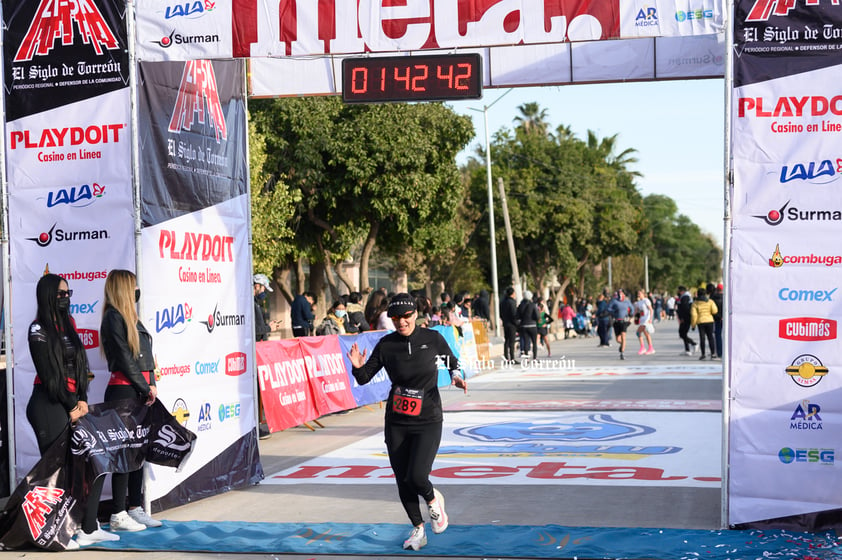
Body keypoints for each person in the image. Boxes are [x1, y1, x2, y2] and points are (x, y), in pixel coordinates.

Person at [346, 293, 467, 551]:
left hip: (428, 418)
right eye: (396, 318)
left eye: (406, 316)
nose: (402, 322)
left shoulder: (432, 338)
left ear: (415, 315)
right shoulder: (387, 344)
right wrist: (357, 367)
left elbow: (452, 363)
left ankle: (434, 501)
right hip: (397, 421)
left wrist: (456, 377)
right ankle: (418, 529)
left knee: (417, 475)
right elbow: (365, 377)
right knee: (402, 478)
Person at [27, 274, 115, 547]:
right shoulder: (37, 329)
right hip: (48, 404)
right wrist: (70, 407)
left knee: (94, 460)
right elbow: (50, 374)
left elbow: (78, 369)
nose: (66, 298)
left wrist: (82, 401)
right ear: (48, 296)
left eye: (69, 293)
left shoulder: (70, 324)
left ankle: (88, 527)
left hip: (72, 403)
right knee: (57, 471)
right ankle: (54, 533)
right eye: (61, 294)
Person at [100, 269, 162, 532]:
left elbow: (146, 357)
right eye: (134, 286)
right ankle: (118, 513)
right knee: (124, 453)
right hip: (124, 393)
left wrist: (152, 384)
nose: (138, 290)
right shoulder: (113, 318)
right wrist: (145, 386)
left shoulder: (132, 319)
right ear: (125, 288)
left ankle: (135, 508)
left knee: (138, 451)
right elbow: (125, 360)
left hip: (139, 392)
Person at [691, 287, 718, 360]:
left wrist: (693, 325)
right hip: (709, 321)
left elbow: (694, 315)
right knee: (710, 337)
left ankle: (703, 354)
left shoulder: (695, 303)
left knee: (702, 338)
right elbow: (714, 311)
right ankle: (713, 354)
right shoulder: (710, 301)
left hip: (701, 322)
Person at [253, 273, 280, 342]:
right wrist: (269, 328)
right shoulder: (250, 304)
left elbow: (257, 325)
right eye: (264, 288)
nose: (264, 291)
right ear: (257, 286)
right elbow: (253, 330)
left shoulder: (255, 302)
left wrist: (267, 325)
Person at [607, 290, 633, 360]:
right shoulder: (614, 301)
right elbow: (608, 308)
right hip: (616, 321)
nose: (621, 295)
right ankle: (622, 344)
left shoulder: (627, 301)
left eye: (622, 294)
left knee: (623, 336)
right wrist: (613, 312)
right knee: (618, 339)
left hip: (624, 321)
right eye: (619, 294)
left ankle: (622, 353)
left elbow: (632, 309)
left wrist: (631, 315)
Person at [516, 290, 538, 359]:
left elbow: (517, 316)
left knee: (526, 341)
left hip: (524, 325)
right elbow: (537, 316)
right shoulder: (533, 305)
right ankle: (534, 358)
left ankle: (527, 358)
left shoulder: (520, 305)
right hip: (532, 325)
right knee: (534, 342)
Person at [676, 286, 698, 356]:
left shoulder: (685, 297)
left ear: (681, 291)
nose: (678, 292)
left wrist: (682, 318)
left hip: (686, 318)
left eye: (678, 290)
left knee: (682, 333)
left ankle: (694, 344)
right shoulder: (684, 296)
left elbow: (685, 309)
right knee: (683, 333)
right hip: (685, 318)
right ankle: (687, 350)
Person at [500, 287, 519, 361]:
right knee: (512, 341)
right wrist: (517, 323)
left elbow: (501, 313)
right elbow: (514, 314)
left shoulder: (502, 302)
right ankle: (512, 358)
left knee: (506, 341)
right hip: (512, 324)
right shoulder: (512, 302)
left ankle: (506, 357)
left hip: (505, 323)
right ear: (512, 294)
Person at [634, 289, 656, 355]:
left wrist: (650, 319)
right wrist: (632, 317)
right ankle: (644, 347)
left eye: (639, 293)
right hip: (642, 319)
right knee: (640, 333)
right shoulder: (639, 302)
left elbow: (651, 310)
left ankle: (649, 348)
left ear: (643, 294)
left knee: (643, 333)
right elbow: (636, 311)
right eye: (638, 293)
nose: (638, 295)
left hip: (646, 319)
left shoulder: (646, 300)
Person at [710, 283, 724, 359]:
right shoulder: (726, 297)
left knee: (717, 335)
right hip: (725, 319)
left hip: (716, 319)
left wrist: (718, 316)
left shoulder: (713, 298)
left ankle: (719, 352)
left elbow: (712, 310)